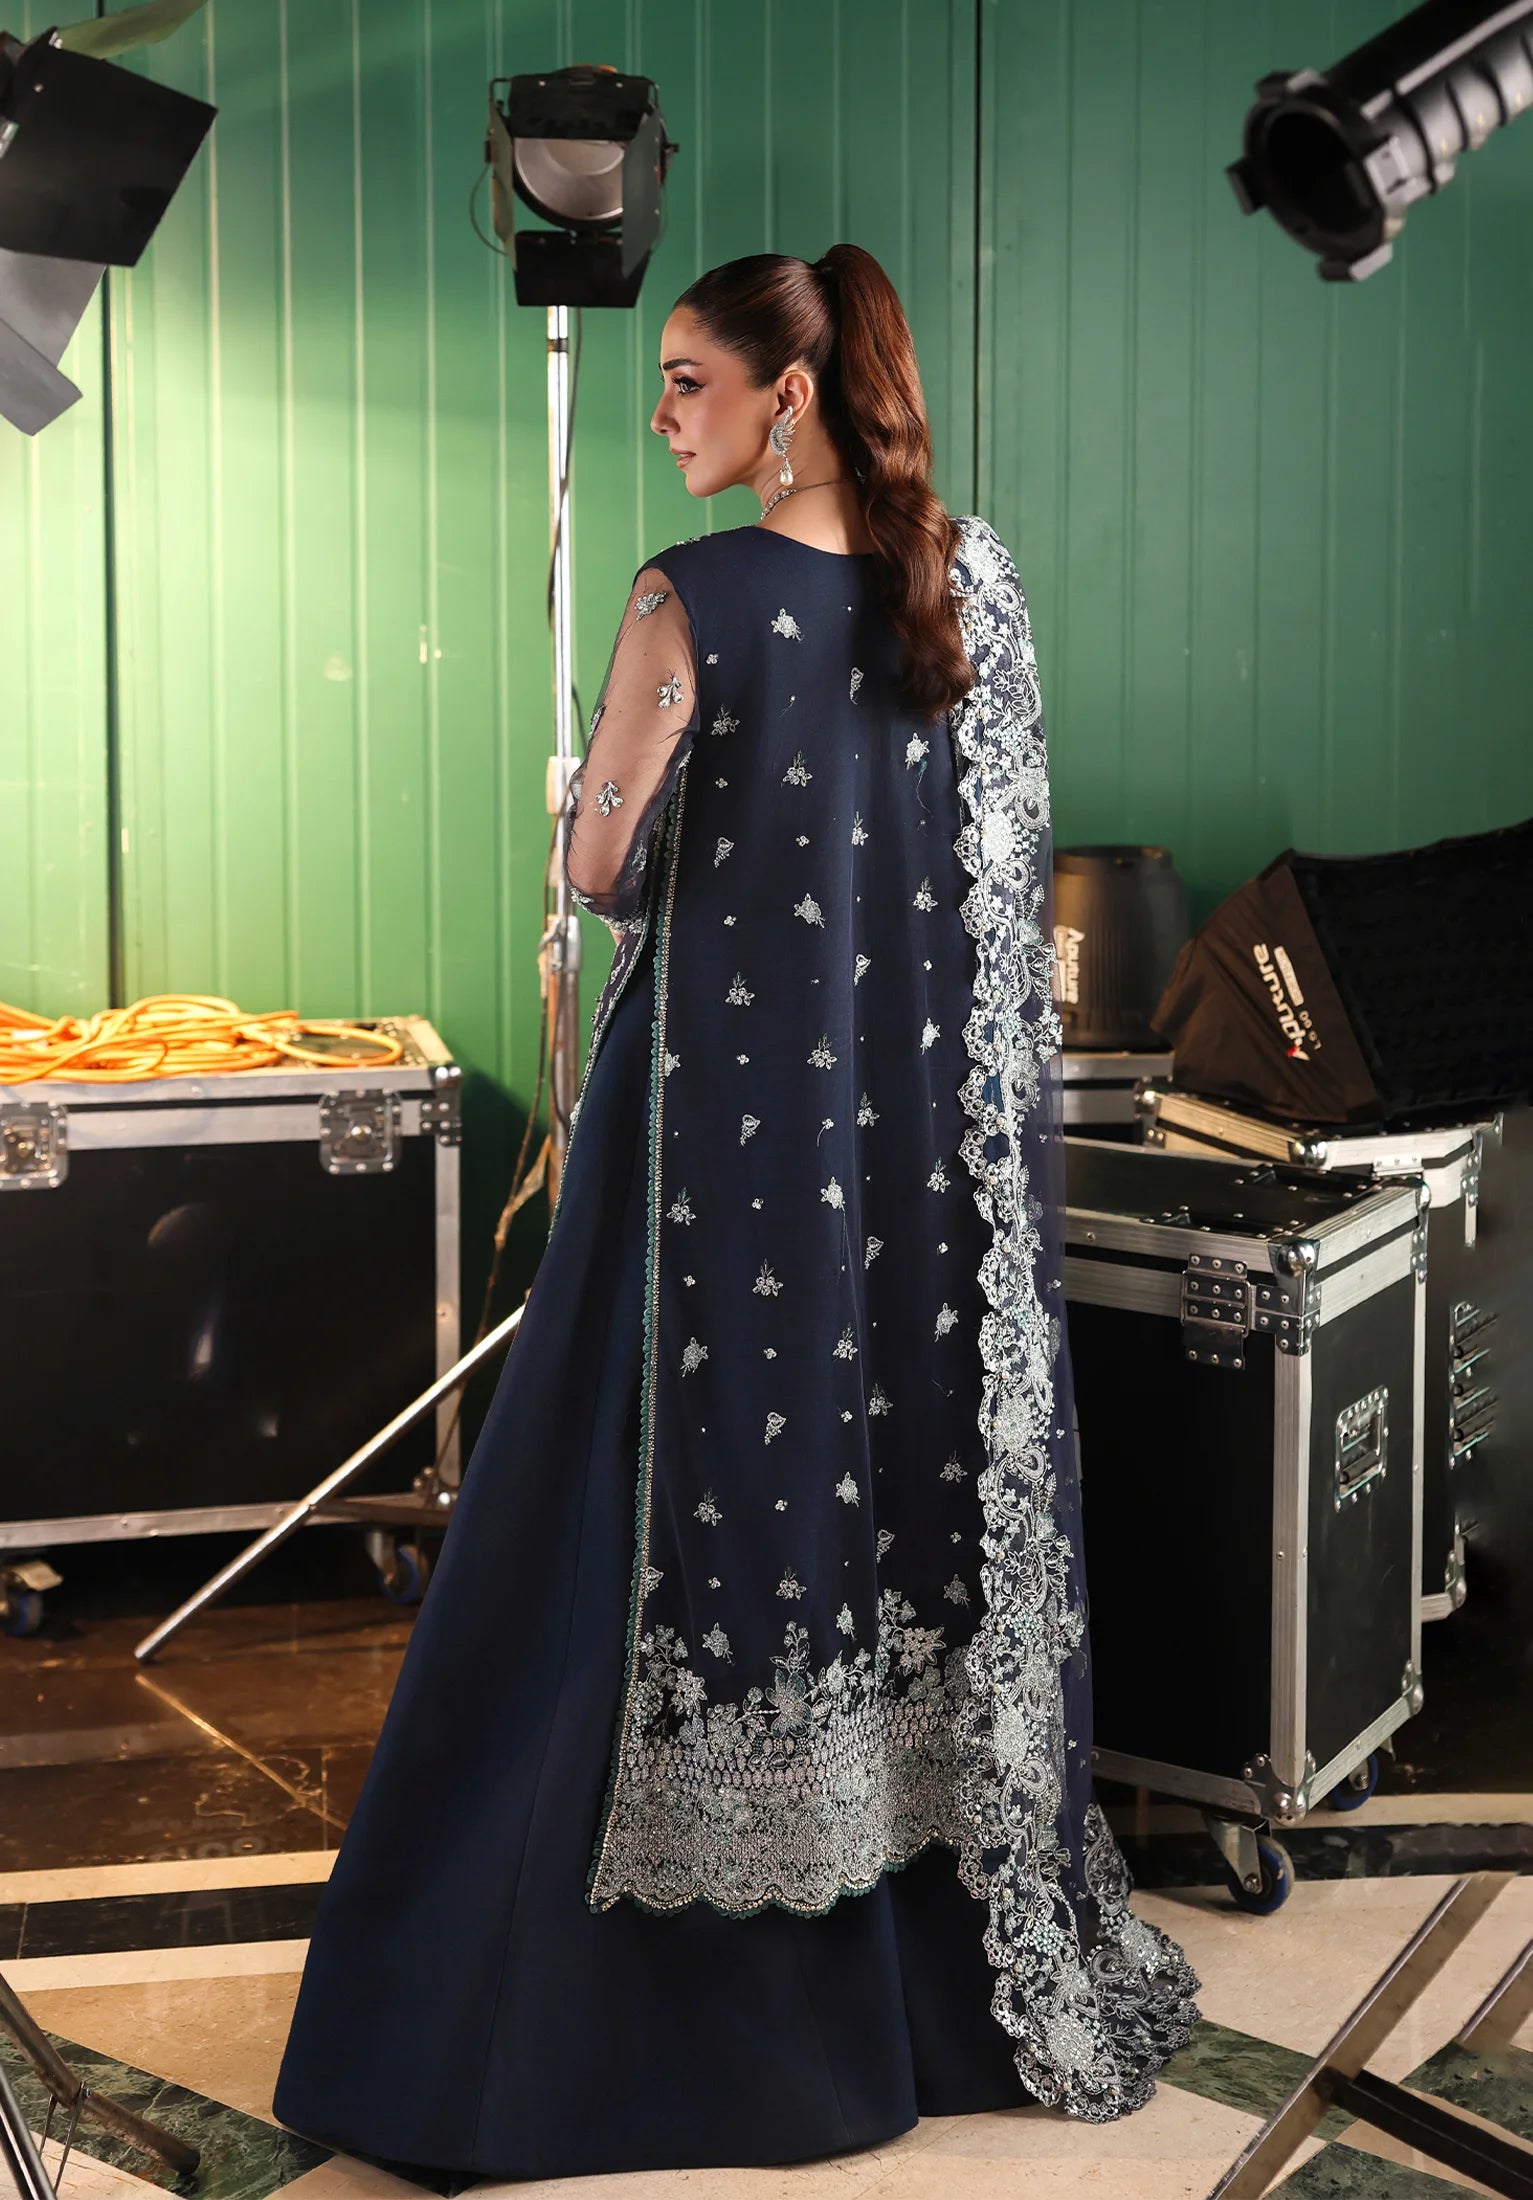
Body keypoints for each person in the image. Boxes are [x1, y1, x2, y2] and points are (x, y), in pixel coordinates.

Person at [271, 245, 1199, 2183]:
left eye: (685, 381)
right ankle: (926, 1968)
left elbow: (609, 870)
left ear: (783, 392)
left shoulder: (682, 597)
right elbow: (988, 881)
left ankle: (532, 2019)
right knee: (881, 1500)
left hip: (711, 1149)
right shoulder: (976, 579)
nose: (661, 415)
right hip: (905, 1172)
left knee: (594, 1530)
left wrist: (589, 802)